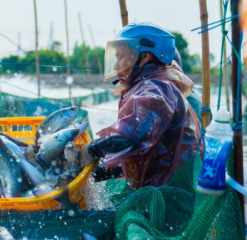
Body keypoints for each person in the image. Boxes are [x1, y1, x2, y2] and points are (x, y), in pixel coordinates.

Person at [80, 23, 202, 190]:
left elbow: (133, 135)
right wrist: (97, 173)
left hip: (168, 194)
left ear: (144, 57)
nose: (116, 66)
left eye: (121, 57)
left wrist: (92, 149)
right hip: (159, 188)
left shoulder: (156, 90)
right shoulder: (150, 84)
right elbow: (141, 152)